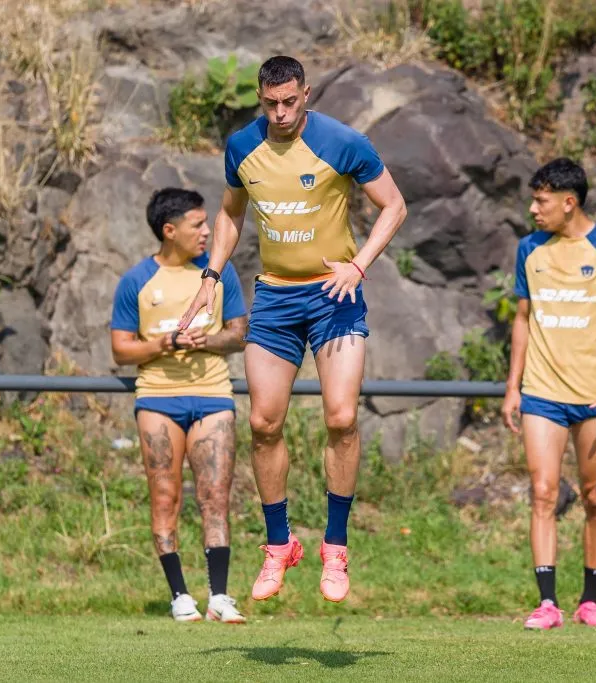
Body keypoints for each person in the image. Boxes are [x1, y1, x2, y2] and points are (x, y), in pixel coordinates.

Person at [177, 55, 407, 604]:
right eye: (269, 103)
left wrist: (359, 265)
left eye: (289, 101)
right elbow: (231, 214)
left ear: (306, 94)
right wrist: (211, 275)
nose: (280, 113)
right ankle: (279, 546)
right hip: (277, 297)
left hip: (335, 296)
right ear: (261, 99)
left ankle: (336, 545)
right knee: (262, 421)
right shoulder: (243, 146)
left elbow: (394, 206)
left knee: (342, 416)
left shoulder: (342, 141)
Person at [501, 158, 596, 630]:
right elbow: (522, 318)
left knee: (595, 495)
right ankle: (546, 604)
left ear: (569, 202)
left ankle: (590, 600)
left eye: (541, 201)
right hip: (541, 392)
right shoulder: (529, 249)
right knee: (543, 492)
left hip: (595, 398)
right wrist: (512, 386)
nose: (533, 209)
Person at [110, 187, 249, 623]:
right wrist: (167, 342)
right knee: (165, 499)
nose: (207, 232)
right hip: (157, 401)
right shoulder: (136, 281)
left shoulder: (218, 274)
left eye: (207, 223)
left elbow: (239, 333)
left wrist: (206, 340)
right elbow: (121, 350)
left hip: (213, 397)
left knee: (215, 499)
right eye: (197, 225)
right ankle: (179, 596)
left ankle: (220, 597)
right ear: (169, 231)